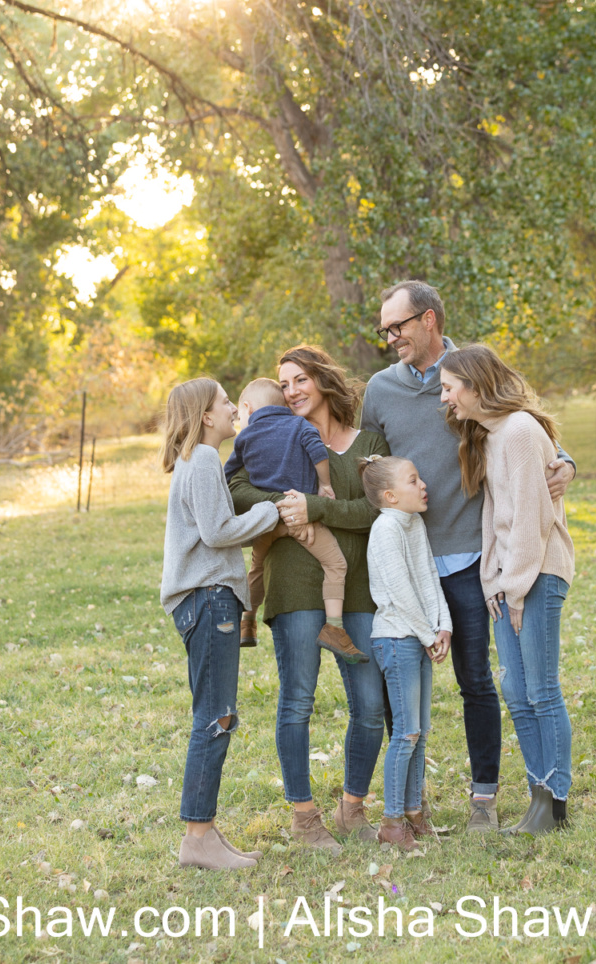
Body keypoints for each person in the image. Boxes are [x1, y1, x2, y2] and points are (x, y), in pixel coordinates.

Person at [361, 280, 575, 832]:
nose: (390, 338)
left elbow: (524, 424)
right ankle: (409, 805)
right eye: (384, 329)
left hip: (476, 558)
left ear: (428, 319)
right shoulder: (380, 390)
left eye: (397, 326)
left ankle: (488, 798)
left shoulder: (470, 373)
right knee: (412, 686)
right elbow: (367, 467)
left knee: (480, 681)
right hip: (419, 561)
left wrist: (566, 459)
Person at [229, 346, 389, 852]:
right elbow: (234, 488)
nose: (293, 390)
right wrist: (282, 505)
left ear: (321, 381)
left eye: (301, 380)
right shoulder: (267, 437)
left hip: (357, 586)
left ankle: (352, 807)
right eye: (285, 383)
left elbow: (377, 507)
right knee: (297, 700)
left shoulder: (368, 441)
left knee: (368, 703)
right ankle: (304, 818)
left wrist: (316, 506)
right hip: (294, 582)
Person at [440, 344, 575, 832]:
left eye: (450, 388)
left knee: (540, 689)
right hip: (509, 581)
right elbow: (495, 521)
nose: (445, 398)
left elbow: (533, 521)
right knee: (516, 691)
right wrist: (493, 584)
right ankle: (539, 794)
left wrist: (515, 589)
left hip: (538, 571)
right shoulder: (492, 435)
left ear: (475, 386)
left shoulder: (518, 431)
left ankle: (554, 801)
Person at [159, 378, 280, 869]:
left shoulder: (197, 461)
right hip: (209, 599)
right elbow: (217, 532)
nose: (234, 408)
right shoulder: (204, 459)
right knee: (215, 717)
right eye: (226, 402)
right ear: (206, 417)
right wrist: (273, 512)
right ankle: (197, 837)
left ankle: (204, 832)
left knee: (217, 714)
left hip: (204, 600)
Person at [224, 377, 367, 662]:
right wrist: (324, 485)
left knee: (257, 566)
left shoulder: (244, 437)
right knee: (336, 564)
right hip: (303, 517)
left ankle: (247, 621)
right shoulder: (300, 425)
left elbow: (227, 476)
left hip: (269, 520)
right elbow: (317, 452)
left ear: (247, 408)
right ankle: (335, 629)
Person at [359, 454, 453, 850]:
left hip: (419, 634)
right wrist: (426, 633)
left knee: (421, 731)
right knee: (406, 733)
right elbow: (399, 591)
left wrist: (443, 624)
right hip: (397, 639)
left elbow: (429, 576)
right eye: (413, 480)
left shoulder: (413, 523)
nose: (423, 485)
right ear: (390, 496)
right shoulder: (385, 529)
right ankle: (392, 822)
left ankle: (415, 811)